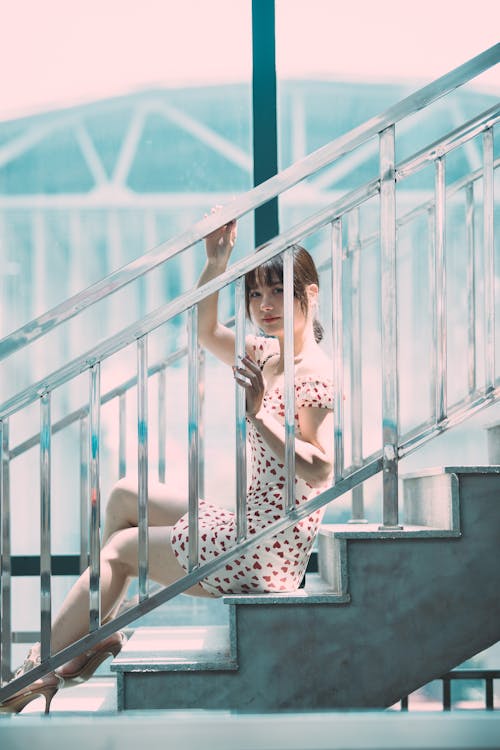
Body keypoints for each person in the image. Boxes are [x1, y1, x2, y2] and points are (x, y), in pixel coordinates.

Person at [0, 213, 334, 713]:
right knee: (123, 493)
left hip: (266, 548)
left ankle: (36, 670)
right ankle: (91, 636)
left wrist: (260, 413)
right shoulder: (267, 354)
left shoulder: (314, 373)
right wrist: (216, 264)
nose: (264, 306)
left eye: (278, 293)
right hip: (247, 523)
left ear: (310, 296)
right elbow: (204, 330)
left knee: (119, 552)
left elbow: (321, 468)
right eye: (256, 295)